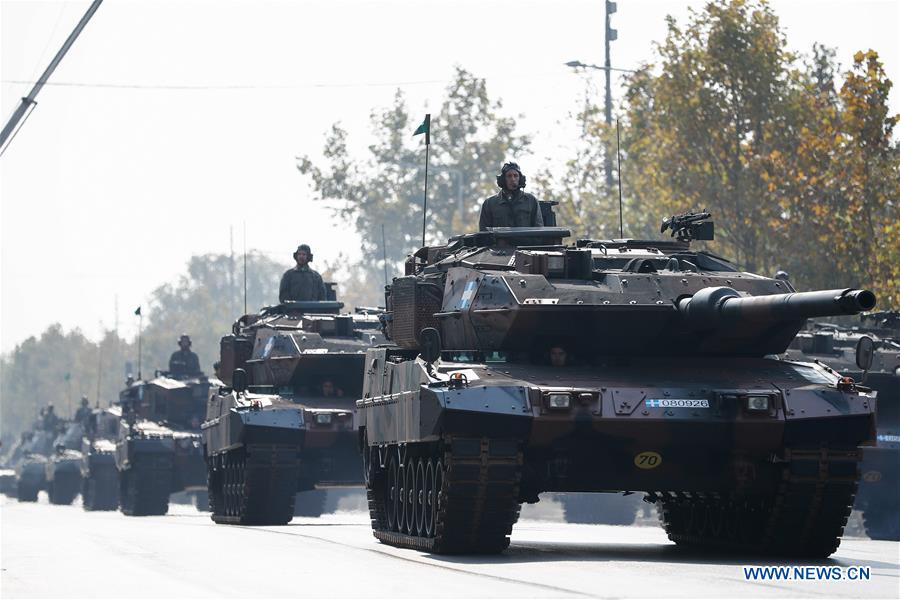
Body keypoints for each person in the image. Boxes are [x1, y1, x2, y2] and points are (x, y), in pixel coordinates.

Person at [479, 162, 544, 230]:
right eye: (509, 176)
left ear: (520, 179)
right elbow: (484, 232)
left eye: (515, 176)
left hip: (525, 240)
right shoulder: (489, 204)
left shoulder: (531, 200)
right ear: (503, 180)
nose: (513, 179)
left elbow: (538, 229)